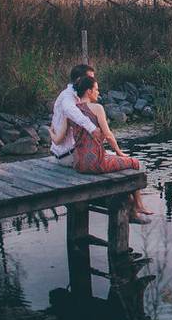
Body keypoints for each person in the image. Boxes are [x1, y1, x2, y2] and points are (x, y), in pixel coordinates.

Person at [64, 75, 152, 222]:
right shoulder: (97, 108)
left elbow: (63, 137)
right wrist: (119, 152)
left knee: (114, 159)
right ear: (88, 91)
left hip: (78, 163)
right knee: (135, 163)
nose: (98, 93)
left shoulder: (72, 111)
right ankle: (138, 205)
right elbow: (109, 135)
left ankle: (135, 205)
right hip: (96, 163)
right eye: (96, 90)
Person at [50, 64, 102, 167]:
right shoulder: (67, 96)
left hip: (68, 153)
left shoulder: (77, 96)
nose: (93, 81)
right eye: (90, 78)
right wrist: (92, 128)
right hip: (68, 156)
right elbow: (71, 111)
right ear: (79, 80)